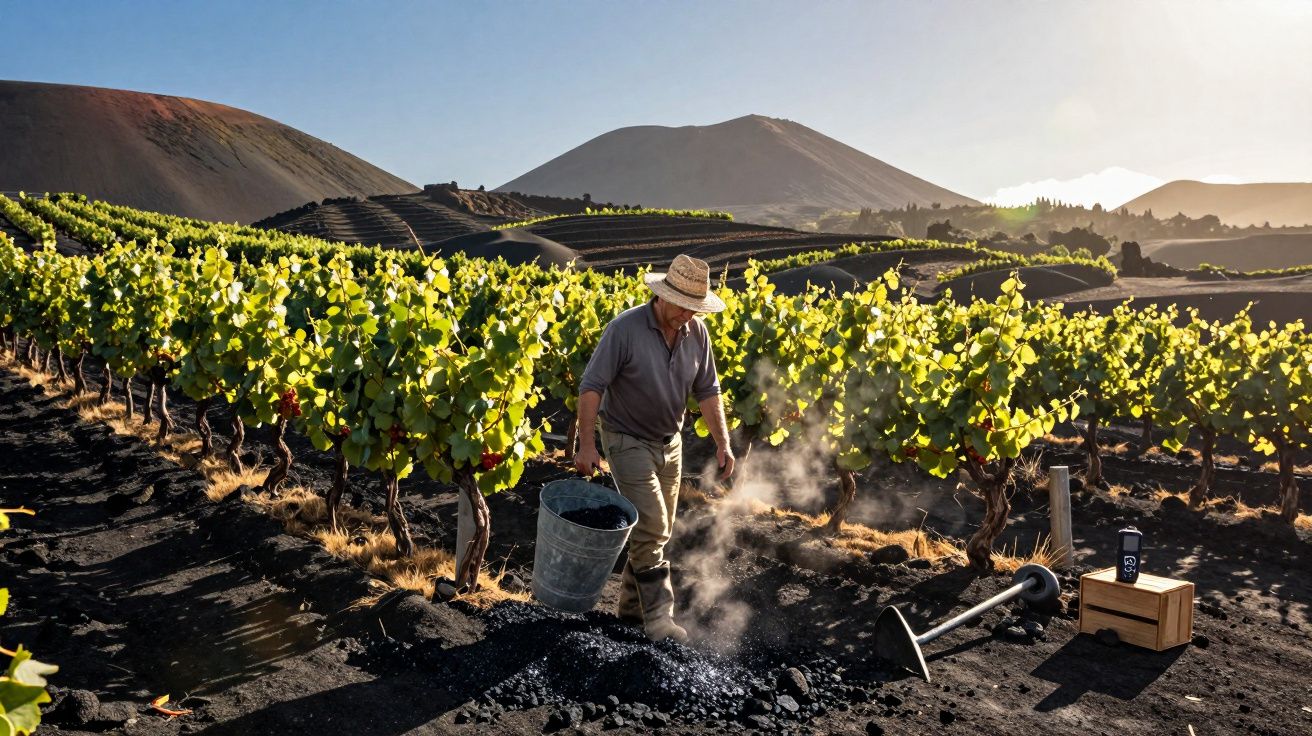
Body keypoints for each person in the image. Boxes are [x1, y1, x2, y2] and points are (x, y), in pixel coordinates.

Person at [574, 254, 734, 642]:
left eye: (696, 309)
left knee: (651, 533)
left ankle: (629, 614)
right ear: (662, 297)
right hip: (626, 437)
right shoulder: (625, 329)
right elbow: (591, 386)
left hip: (670, 443)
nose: (688, 316)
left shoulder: (697, 332)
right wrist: (587, 443)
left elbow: (708, 390)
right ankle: (660, 619)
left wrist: (723, 442)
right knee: (654, 526)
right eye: (683, 307)